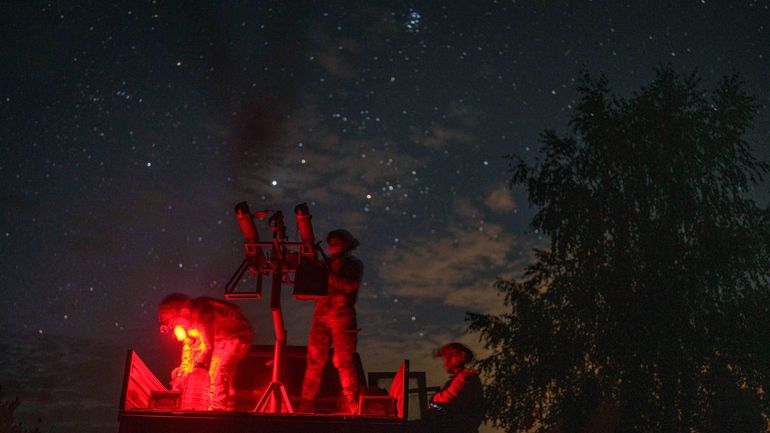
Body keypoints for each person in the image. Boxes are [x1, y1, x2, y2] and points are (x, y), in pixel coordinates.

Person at [299, 229, 364, 414]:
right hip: (322, 316)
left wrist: (325, 275)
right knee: (314, 359)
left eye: (337, 242)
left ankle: (351, 401)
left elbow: (350, 285)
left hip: (342, 316)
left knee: (344, 360)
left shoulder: (353, 264)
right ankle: (307, 403)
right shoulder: (324, 265)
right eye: (332, 242)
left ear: (346, 244)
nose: (333, 246)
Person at [158, 293, 253, 410]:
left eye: (173, 322)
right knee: (209, 373)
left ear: (183, 312)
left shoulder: (201, 312)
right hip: (220, 338)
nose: (175, 327)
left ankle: (218, 410)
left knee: (220, 373)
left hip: (237, 335)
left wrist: (198, 373)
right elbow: (190, 350)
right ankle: (212, 405)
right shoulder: (190, 325)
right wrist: (183, 375)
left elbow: (208, 347)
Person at [428, 342, 485, 433]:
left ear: (460, 357)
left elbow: (448, 399)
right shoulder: (459, 378)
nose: (445, 362)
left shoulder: (466, 377)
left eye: (449, 356)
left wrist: (433, 401)